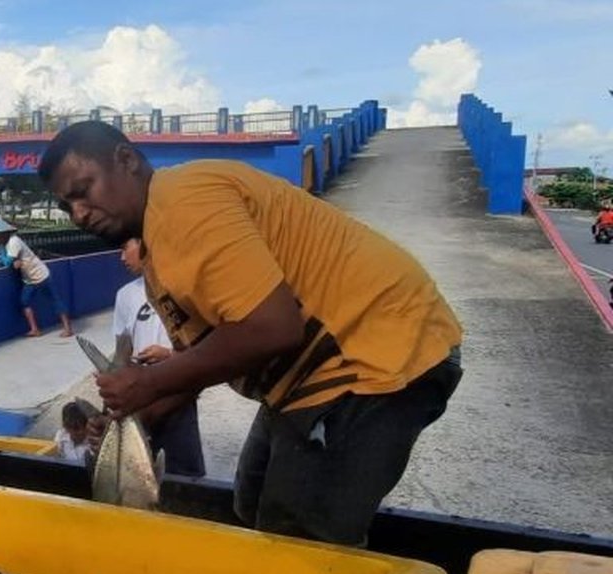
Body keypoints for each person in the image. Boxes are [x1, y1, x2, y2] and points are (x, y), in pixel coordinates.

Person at [39, 121, 463, 547]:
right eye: (67, 207)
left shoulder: (185, 202)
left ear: (126, 160)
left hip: (373, 352)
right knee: (251, 502)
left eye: (83, 190)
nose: (79, 214)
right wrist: (124, 417)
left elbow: (272, 329)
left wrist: (146, 381)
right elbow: (197, 365)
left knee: (299, 540)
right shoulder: (157, 255)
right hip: (305, 378)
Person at [108, 237, 206, 477]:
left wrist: (170, 355)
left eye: (124, 248)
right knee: (139, 474)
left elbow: (208, 348)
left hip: (178, 392)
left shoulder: (185, 287)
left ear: (144, 242)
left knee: (182, 475)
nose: (122, 258)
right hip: (141, 395)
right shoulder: (126, 295)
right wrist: (113, 374)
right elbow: (123, 349)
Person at [0, 217, 74, 338]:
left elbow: (7, 262)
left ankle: (68, 329)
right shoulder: (7, 243)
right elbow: (12, 263)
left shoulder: (13, 241)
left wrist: (1, 249)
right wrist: (12, 260)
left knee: (55, 300)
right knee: (25, 301)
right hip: (29, 278)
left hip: (41, 274)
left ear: (4, 233)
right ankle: (35, 329)